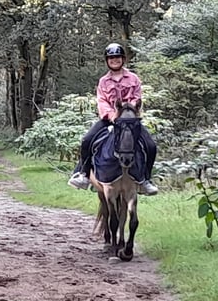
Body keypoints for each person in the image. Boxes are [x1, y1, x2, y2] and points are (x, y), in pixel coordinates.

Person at [67, 43, 159, 196]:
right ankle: (83, 174)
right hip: (109, 119)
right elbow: (102, 101)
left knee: (150, 146)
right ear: (107, 60)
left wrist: (127, 112)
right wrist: (112, 115)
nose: (114, 60)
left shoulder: (133, 78)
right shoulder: (103, 81)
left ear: (123, 59)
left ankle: (145, 180)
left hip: (130, 120)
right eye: (111, 58)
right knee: (87, 140)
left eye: (117, 57)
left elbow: (136, 98)